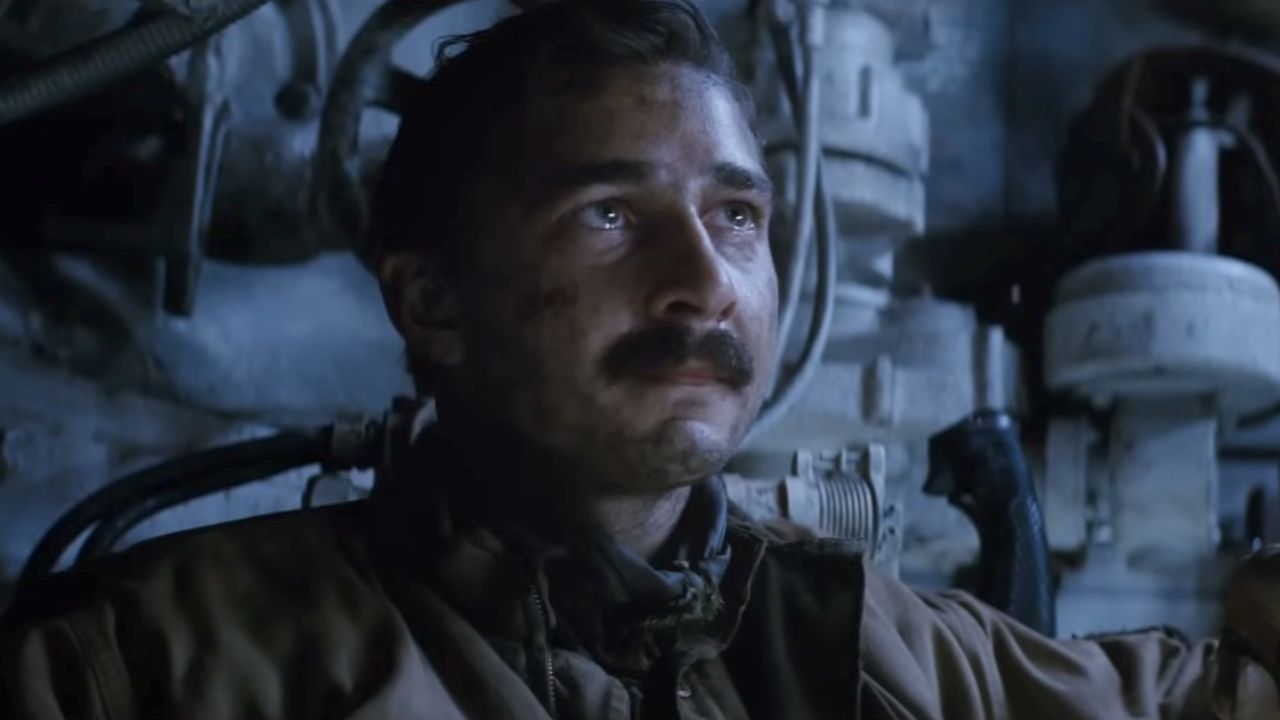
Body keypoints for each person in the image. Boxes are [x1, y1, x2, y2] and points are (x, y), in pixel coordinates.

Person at [1, 1, 1277, 718]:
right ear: (430, 303)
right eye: (608, 213)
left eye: (736, 216)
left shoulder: (858, 641)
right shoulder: (144, 668)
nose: (703, 281)